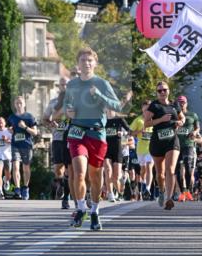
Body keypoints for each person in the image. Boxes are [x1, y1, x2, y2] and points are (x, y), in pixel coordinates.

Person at [64, 47, 120, 231]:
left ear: (95, 63)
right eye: (83, 60)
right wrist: (68, 111)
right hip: (77, 131)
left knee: (95, 176)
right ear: (78, 64)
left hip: (97, 132)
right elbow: (67, 105)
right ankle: (80, 208)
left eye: (90, 60)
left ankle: (95, 211)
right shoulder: (72, 84)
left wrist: (100, 95)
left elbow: (116, 105)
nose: (86, 63)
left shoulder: (102, 83)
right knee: (79, 172)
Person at [143, 81, 184, 210]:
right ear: (156, 92)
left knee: (170, 170)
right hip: (157, 142)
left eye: (164, 90)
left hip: (172, 140)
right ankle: (161, 191)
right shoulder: (153, 106)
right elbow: (146, 124)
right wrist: (161, 120)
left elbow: (182, 117)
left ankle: (169, 198)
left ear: (168, 91)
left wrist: (180, 122)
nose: (162, 92)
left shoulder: (174, 104)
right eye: (159, 90)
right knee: (160, 173)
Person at [43, 78, 71, 209]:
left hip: (72, 139)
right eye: (62, 84)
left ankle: (67, 195)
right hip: (58, 138)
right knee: (58, 168)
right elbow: (44, 119)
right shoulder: (53, 102)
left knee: (71, 169)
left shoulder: (75, 101)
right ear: (59, 86)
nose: (64, 86)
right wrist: (50, 124)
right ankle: (61, 186)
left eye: (67, 84)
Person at [7, 95, 38, 200]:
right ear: (15, 105)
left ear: (24, 104)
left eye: (20, 103)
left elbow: (35, 132)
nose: (19, 105)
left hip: (26, 145)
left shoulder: (29, 117)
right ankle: (17, 189)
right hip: (15, 144)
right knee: (15, 166)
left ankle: (25, 187)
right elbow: (9, 129)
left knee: (25, 168)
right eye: (17, 103)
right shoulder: (11, 117)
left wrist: (25, 127)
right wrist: (10, 130)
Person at [174, 93, 200, 202]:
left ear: (186, 103)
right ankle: (182, 191)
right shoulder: (173, 115)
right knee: (178, 171)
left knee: (188, 168)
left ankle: (188, 190)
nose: (181, 104)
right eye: (179, 102)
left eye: (183, 102)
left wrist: (194, 132)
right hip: (176, 145)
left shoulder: (192, 115)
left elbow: (197, 128)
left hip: (188, 144)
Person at [130, 103, 155, 199]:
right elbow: (131, 133)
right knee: (143, 170)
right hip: (140, 149)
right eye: (145, 110)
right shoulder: (138, 120)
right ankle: (144, 183)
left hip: (151, 149)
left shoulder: (154, 120)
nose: (146, 112)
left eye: (148, 110)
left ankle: (147, 188)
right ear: (142, 110)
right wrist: (140, 131)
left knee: (149, 166)